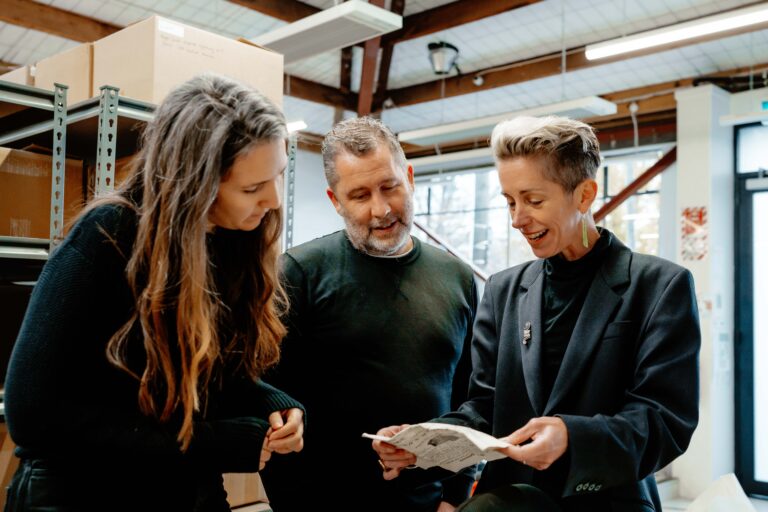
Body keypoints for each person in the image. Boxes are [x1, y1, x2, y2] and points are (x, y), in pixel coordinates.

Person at [3, 74, 305, 511]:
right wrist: (213, 442)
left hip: (183, 488)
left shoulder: (232, 239)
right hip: (84, 493)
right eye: (252, 188)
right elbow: (33, 416)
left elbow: (205, 372)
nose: (274, 200)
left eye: (277, 175)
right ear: (195, 185)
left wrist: (269, 402)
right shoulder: (106, 237)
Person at [373, 115, 701, 512]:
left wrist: (571, 437)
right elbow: (484, 408)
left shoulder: (659, 287)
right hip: (508, 499)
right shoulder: (503, 290)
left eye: (533, 200)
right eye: (510, 201)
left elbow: (664, 420)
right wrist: (425, 444)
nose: (517, 219)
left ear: (584, 195)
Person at [260, 117, 477, 511]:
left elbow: (471, 398)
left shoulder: (458, 278)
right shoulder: (298, 274)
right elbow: (272, 405)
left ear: (409, 177)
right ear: (335, 200)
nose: (381, 209)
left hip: (429, 503)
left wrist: (455, 494)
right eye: (359, 195)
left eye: (390, 187)